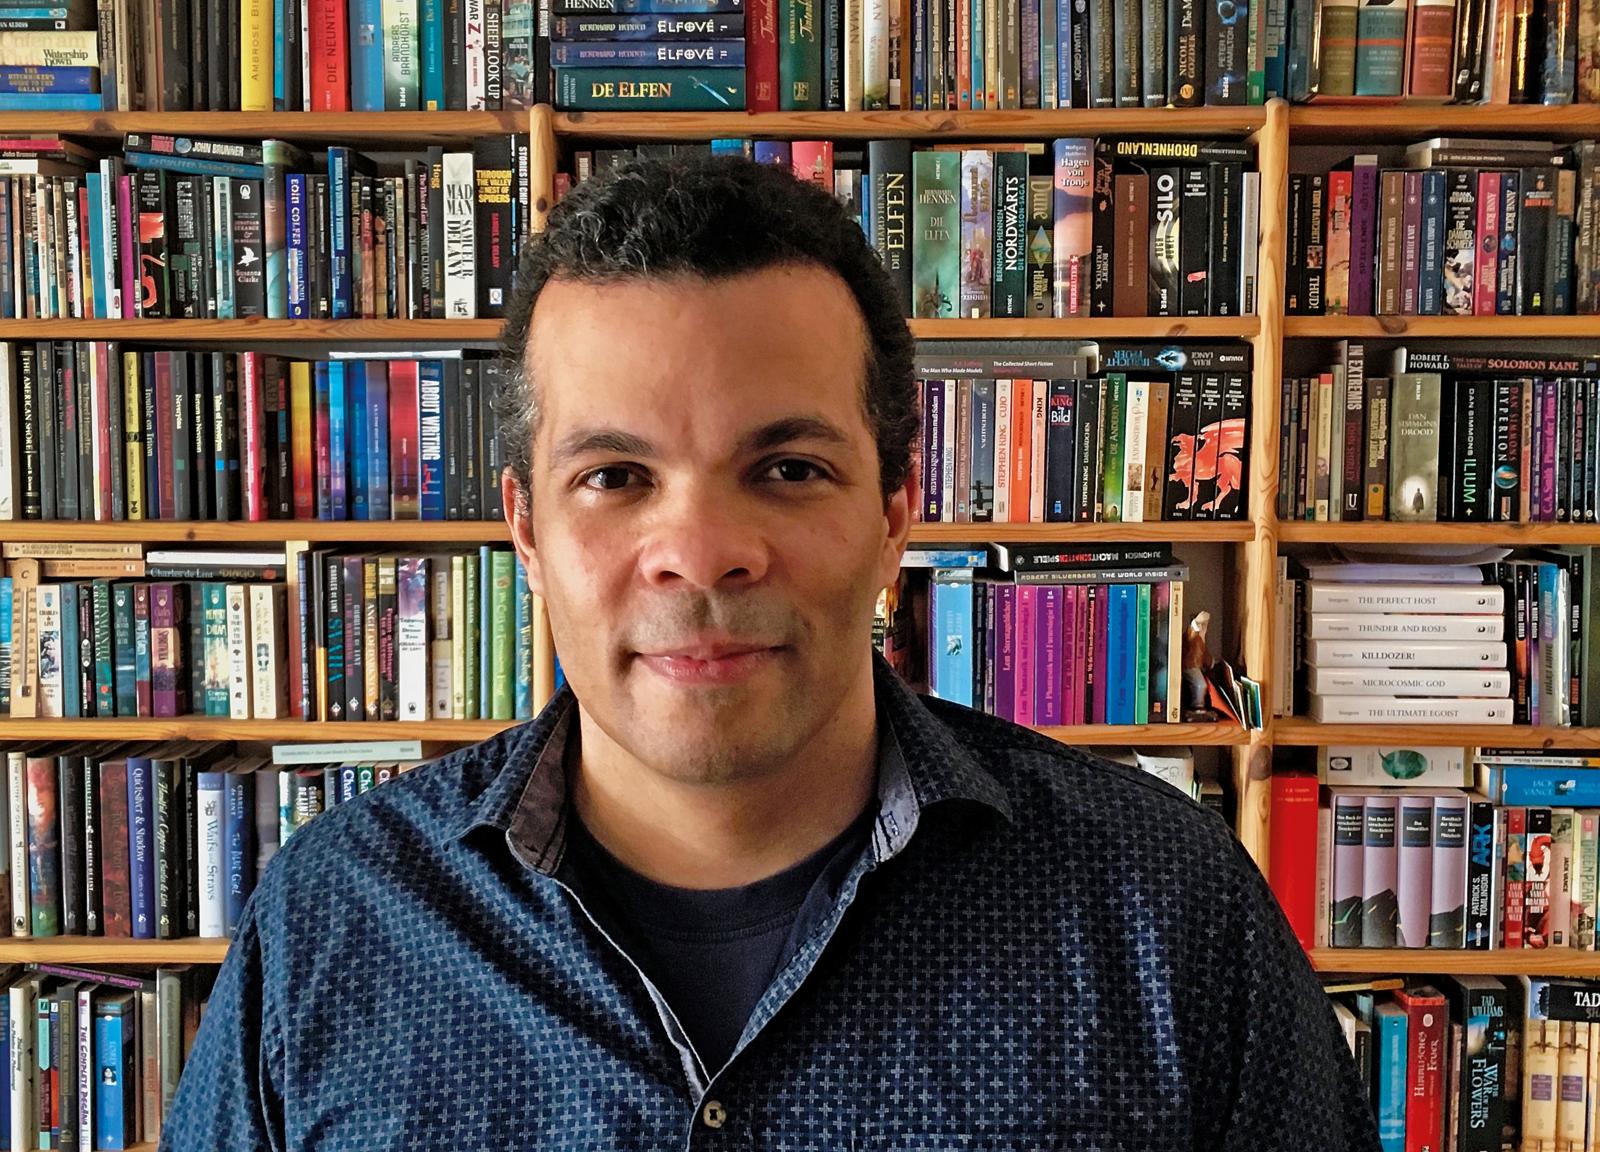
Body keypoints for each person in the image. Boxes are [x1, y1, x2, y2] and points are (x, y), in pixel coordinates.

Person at [160, 155, 1381, 1150]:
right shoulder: (332, 924)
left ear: (895, 510)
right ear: (525, 530)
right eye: (615, 477)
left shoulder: (1168, 911)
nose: (700, 554)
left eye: (788, 470)